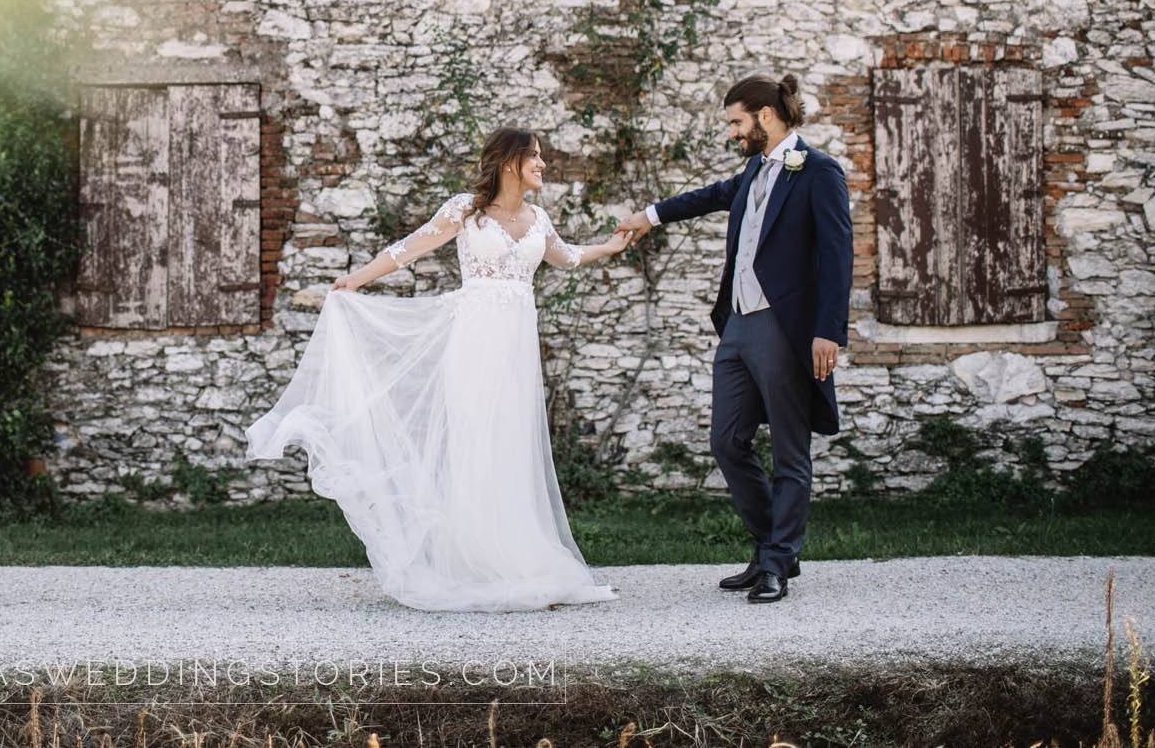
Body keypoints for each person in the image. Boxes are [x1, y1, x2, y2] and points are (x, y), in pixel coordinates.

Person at [245, 127, 635, 612]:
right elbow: (408, 249)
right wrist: (357, 278)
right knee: (474, 442)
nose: (543, 164)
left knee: (511, 445)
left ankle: (515, 556)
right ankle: (469, 559)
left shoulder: (538, 219)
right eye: (535, 157)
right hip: (472, 345)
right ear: (511, 162)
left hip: (516, 353)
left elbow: (569, 257)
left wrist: (611, 248)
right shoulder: (465, 210)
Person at [616, 73, 852, 605]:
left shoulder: (819, 172)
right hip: (739, 325)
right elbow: (711, 197)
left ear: (766, 116)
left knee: (791, 451)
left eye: (736, 123)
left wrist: (828, 332)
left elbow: (839, 258)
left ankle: (773, 564)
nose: (732, 133)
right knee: (726, 441)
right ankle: (775, 548)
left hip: (784, 328)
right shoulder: (753, 169)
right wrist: (649, 216)